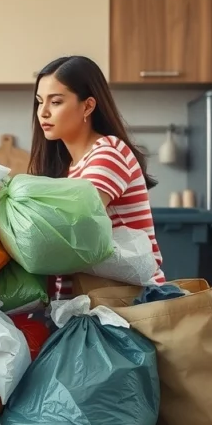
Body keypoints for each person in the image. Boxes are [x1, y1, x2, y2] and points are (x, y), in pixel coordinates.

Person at [28, 55, 165, 298]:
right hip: (89, 307)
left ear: (88, 106)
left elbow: (73, 228)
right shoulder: (67, 169)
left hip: (131, 306)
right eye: (40, 102)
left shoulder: (108, 152)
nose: (44, 112)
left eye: (56, 102)